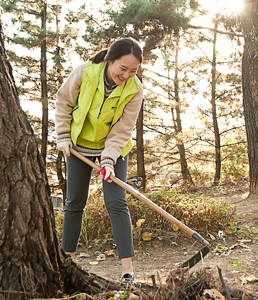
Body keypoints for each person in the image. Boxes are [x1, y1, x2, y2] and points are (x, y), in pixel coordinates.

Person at [55, 37, 143, 282]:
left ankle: (127, 270)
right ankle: (68, 260)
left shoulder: (135, 89)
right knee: (74, 202)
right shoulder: (85, 72)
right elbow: (63, 102)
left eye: (133, 70)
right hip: (79, 147)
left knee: (116, 203)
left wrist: (108, 159)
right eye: (122, 68)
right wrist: (62, 134)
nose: (126, 75)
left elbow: (124, 128)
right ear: (110, 60)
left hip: (113, 149)